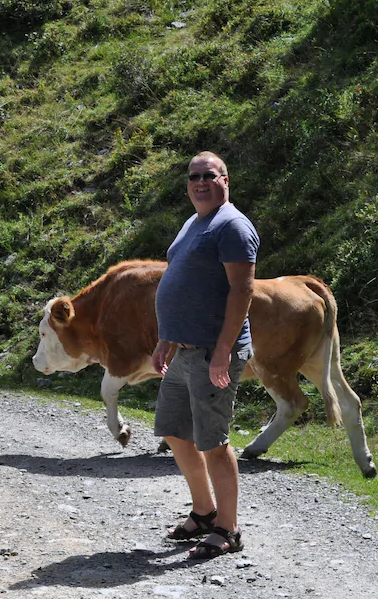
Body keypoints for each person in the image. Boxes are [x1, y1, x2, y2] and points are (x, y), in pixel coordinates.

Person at [152, 150, 259, 560]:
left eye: (209, 175)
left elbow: (242, 291)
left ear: (225, 180)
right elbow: (184, 284)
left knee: (213, 442)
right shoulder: (194, 222)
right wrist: (167, 338)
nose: (200, 182)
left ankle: (228, 529)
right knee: (175, 431)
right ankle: (203, 511)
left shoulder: (232, 226)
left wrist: (223, 351)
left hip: (214, 352)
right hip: (185, 350)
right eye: (194, 176)